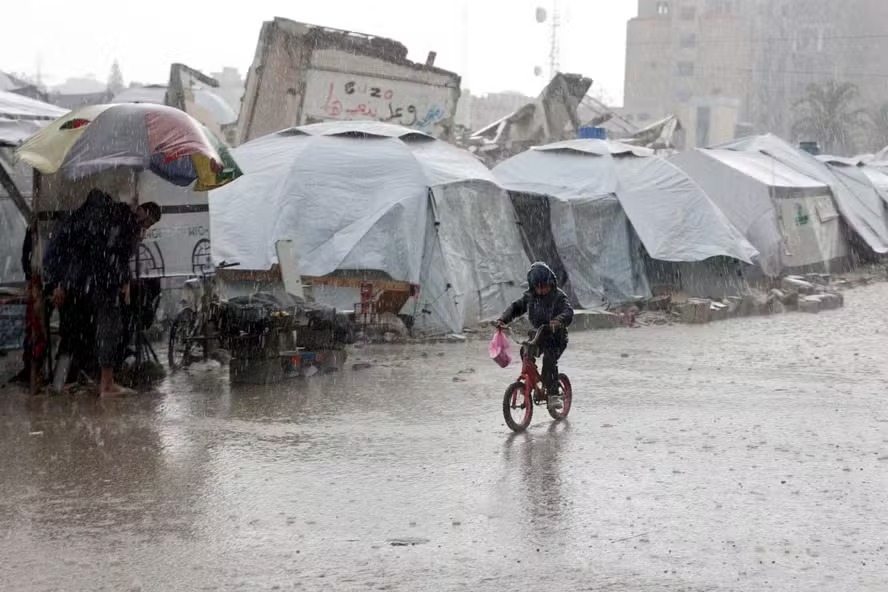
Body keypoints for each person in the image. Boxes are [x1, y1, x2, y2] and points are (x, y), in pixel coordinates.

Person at [44, 189, 161, 396]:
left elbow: (64, 251)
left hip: (77, 283)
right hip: (94, 281)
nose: (145, 226)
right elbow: (112, 254)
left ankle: (60, 382)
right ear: (140, 212)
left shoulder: (81, 220)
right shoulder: (119, 222)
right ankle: (105, 383)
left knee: (72, 333)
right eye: (147, 222)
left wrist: (59, 283)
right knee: (109, 327)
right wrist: (123, 279)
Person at [496, 262, 574, 411]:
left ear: (551, 283)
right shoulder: (530, 296)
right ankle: (532, 379)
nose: (542, 290)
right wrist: (503, 319)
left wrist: (558, 321)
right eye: (538, 287)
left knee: (549, 359)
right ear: (533, 287)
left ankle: (553, 394)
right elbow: (516, 307)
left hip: (556, 337)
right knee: (525, 351)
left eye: (545, 286)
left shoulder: (558, 296)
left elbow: (568, 311)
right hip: (539, 334)